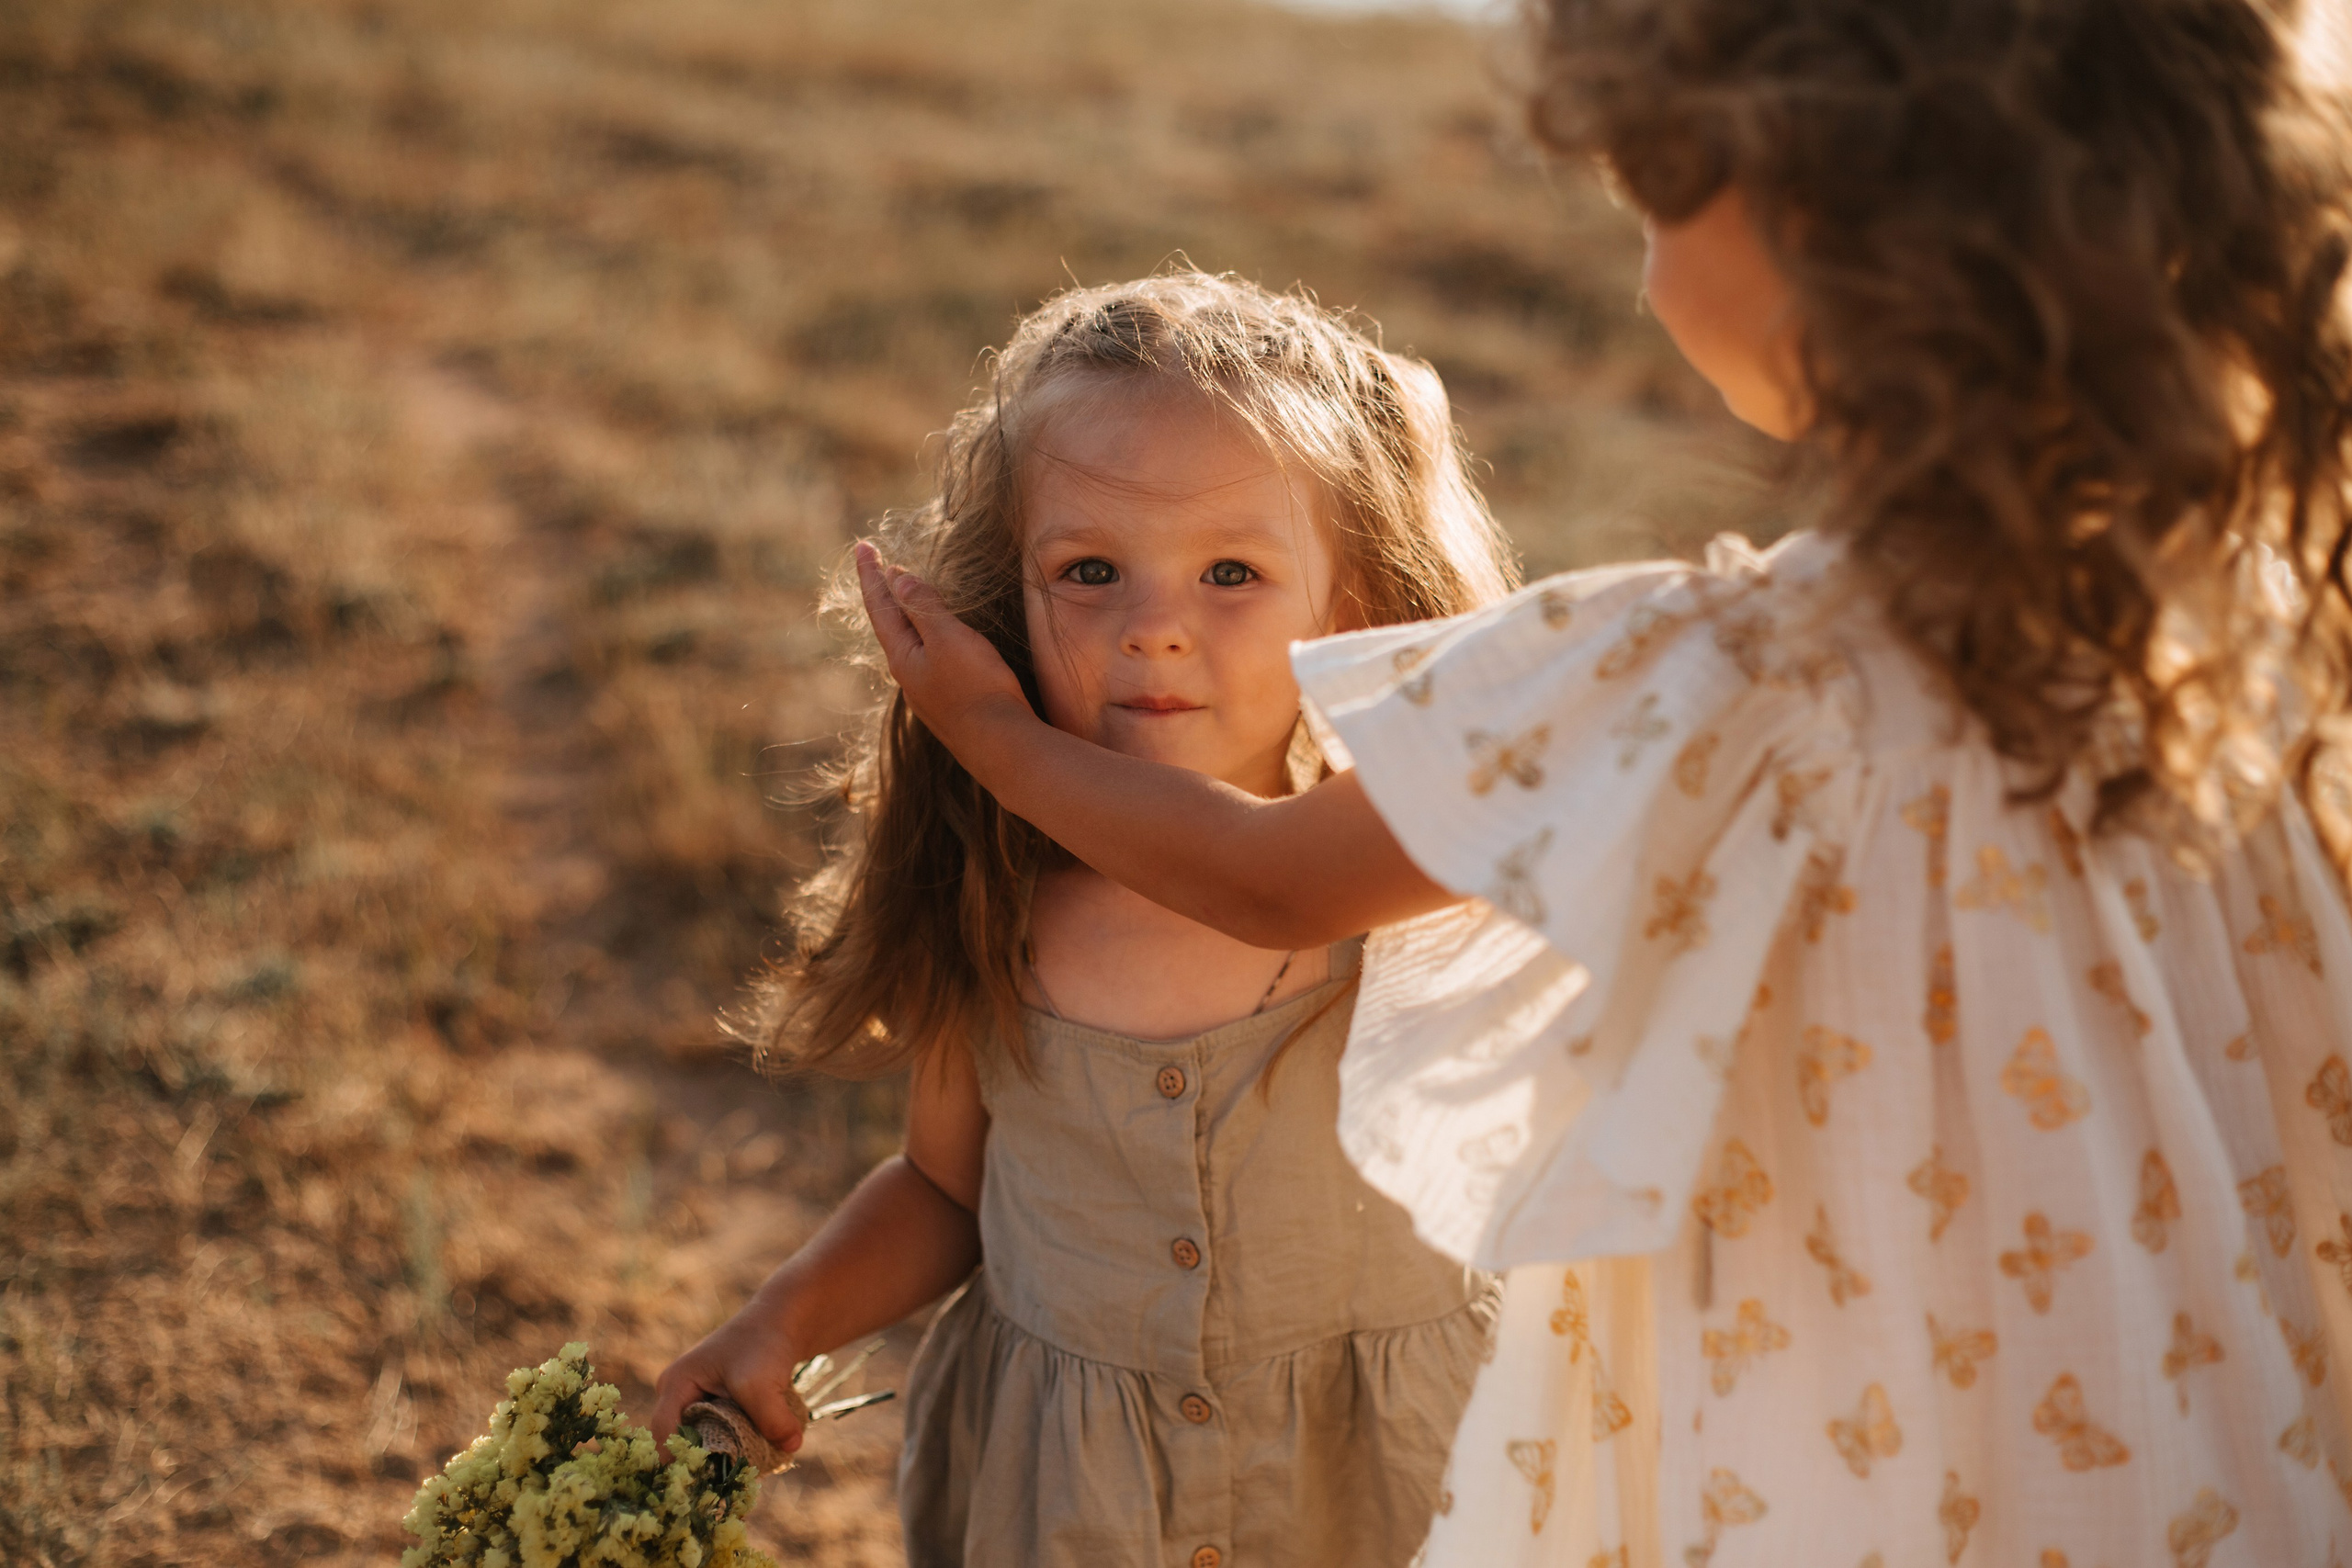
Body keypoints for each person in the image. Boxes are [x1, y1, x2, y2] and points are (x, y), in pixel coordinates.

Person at [853, 2, 2352, 1562]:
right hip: (2203, 1396)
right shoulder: (2256, 624)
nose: (1639, 254)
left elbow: (1277, 873)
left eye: (1656, 185)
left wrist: (1002, 742)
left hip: (1859, 1428)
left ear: (1824, 222)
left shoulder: (1733, 676)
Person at [650, 271, 1519, 1567]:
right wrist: (785, 1319)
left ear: (1348, 611)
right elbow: (949, 1189)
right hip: (1077, 1505)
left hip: (1387, 1493)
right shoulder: (995, 889)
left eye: (1232, 571)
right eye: (1091, 571)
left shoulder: (1396, 880)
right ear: (1010, 599)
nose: (1153, 630)